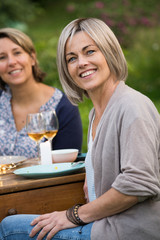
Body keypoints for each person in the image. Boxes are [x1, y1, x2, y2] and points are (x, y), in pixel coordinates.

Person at [0, 17, 160, 240]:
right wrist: (91, 171)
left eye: (90, 51)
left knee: (9, 227)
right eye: (71, 58)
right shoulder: (97, 112)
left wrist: (73, 215)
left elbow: (139, 184)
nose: (81, 63)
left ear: (109, 52)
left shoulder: (132, 105)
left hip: (123, 230)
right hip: (103, 222)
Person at [0, 27, 82, 158]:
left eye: (17, 53)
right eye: (2, 57)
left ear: (32, 57)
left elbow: (67, 166)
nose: (11, 62)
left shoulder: (64, 107)